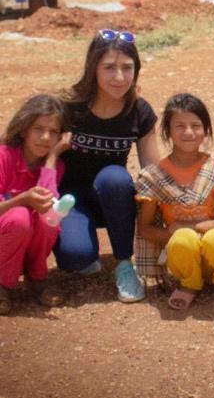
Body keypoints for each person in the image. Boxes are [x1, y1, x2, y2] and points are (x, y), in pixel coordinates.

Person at [55, 29, 159, 303]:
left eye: (127, 68)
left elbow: (152, 172)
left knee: (114, 177)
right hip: (69, 200)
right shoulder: (68, 108)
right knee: (75, 257)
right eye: (109, 67)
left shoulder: (139, 111)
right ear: (93, 68)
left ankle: (125, 264)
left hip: (114, 198)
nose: (119, 77)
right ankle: (82, 247)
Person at [136, 93, 214, 310]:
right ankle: (189, 283)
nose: (188, 132)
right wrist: (180, 234)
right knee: (183, 239)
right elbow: (145, 229)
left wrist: (193, 227)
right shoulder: (155, 176)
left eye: (196, 125)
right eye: (179, 126)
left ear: (206, 131)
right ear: (167, 131)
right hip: (181, 256)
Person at [0, 94, 70, 315]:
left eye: (53, 132)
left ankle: (36, 277)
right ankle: (3, 284)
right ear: (23, 129)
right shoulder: (4, 157)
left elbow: (48, 204)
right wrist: (22, 199)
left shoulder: (55, 167)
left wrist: (52, 157)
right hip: (7, 232)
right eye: (38, 129)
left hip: (22, 238)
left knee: (49, 218)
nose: (45, 137)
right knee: (19, 216)